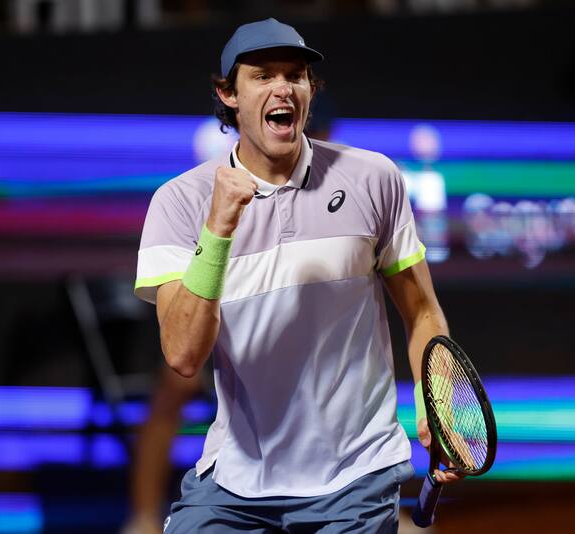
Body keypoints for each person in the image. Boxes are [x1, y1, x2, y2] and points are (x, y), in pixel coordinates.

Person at [134, 17, 461, 532]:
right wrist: (218, 231)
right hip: (237, 482)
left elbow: (421, 310)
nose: (283, 86)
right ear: (228, 94)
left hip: (357, 475)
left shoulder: (374, 178)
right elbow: (182, 355)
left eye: (296, 74)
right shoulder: (180, 202)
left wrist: (434, 402)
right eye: (263, 75)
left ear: (311, 90)